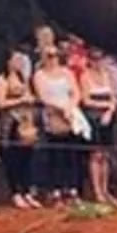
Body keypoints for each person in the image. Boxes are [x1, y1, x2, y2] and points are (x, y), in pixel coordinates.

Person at [33, 44, 83, 204]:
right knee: (55, 155)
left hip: (69, 114)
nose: (52, 59)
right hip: (52, 114)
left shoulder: (67, 73)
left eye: (55, 55)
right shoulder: (39, 75)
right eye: (49, 55)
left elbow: (76, 93)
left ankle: (72, 189)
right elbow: (42, 97)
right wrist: (60, 109)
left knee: (71, 154)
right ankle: (55, 191)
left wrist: (70, 108)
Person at [0, 52, 41, 208]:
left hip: (26, 122)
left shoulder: (24, 79)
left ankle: (27, 191)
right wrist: (20, 100)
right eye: (15, 60)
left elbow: (31, 96)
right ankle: (15, 192)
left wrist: (30, 100)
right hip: (10, 123)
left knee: (26, 159)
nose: (18, 63)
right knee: (13, 159)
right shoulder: (2, 80)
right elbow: (1, 103)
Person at [79, 46, 117, 207]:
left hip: (108, 117)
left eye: (100, 58)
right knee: (95, 154)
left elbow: (114, 98)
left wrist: (110, 110)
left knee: (106, 155)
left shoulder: (107, 75)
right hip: (93, 117)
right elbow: (85, 100)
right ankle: (97, 190)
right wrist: (104, 105)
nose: (98, 62)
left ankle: (105, 189)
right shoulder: (85, 76)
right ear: (90, 61)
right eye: (95, 59)